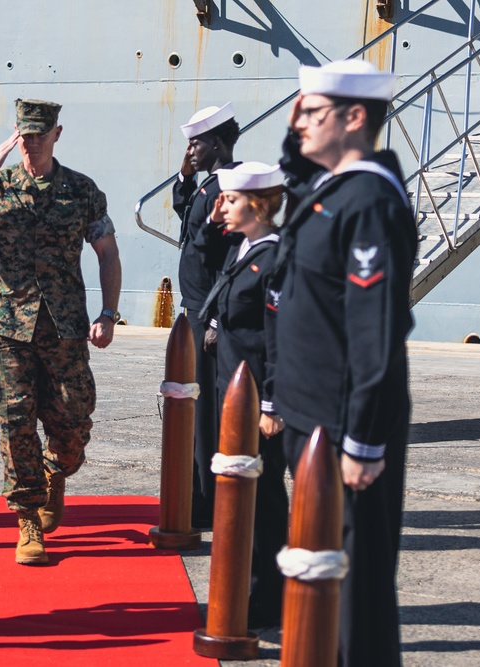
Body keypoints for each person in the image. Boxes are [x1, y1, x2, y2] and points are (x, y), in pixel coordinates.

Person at [0, 99, 122, 565]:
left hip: (65, 327)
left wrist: (109, 312)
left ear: (58, 133)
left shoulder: (82, 190)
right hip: (7, 326)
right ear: (16, 134)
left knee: (74, 423)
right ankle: (28, 516)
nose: (32, 141)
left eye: (41, 133)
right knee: (15, 421)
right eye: (25, 133)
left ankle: (57, 472)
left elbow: (108, 254)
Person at [273, 60, 416, 666]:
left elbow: (374, 333)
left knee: (356, 581)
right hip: (312, 419)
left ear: (355, 117)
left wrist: (363, 439)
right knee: (320, 574)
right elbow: (294, 169)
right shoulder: (327, 191)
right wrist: (298, 121)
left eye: (313, 112)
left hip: (343, 425)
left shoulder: (368, 203)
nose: (300, 123)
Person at [202, 162, 289, 630]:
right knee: (240, 493)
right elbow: (207, 262)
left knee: (264, 496)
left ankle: (268, 595)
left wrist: (272, 405)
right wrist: (218, 220)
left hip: (257, 398)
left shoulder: (274, 258)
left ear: (256, 204)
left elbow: (279, 336)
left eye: (231, 200)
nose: (223, 206)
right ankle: (249, 585)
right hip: (232, 393)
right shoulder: (245, 247)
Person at [171, 103, 242, 529]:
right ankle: (199, 495)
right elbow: (188, 222)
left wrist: (215, 319)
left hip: (207, 313)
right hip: (196, 309)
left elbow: (231, 256)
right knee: (196, 409)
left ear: (216, 142)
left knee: (206, 411)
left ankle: (207, 500)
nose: (191, 149)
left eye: (196, 142)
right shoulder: (208, 187)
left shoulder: (227, 188)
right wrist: (185, 178)